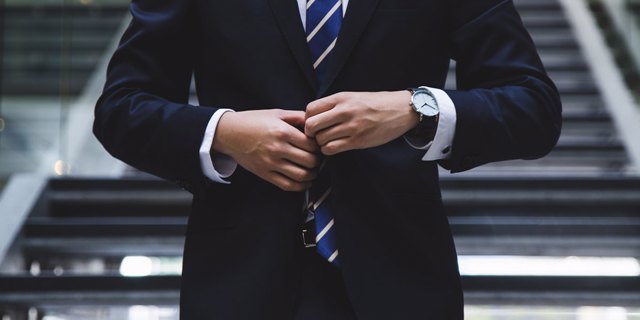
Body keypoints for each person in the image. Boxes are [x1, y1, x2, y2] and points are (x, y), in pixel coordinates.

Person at [93, 0, 562, 318]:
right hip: (237, 281)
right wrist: (224, 133)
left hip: (402, 280)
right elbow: (121, 108)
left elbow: (533, 107)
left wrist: (414, 108)